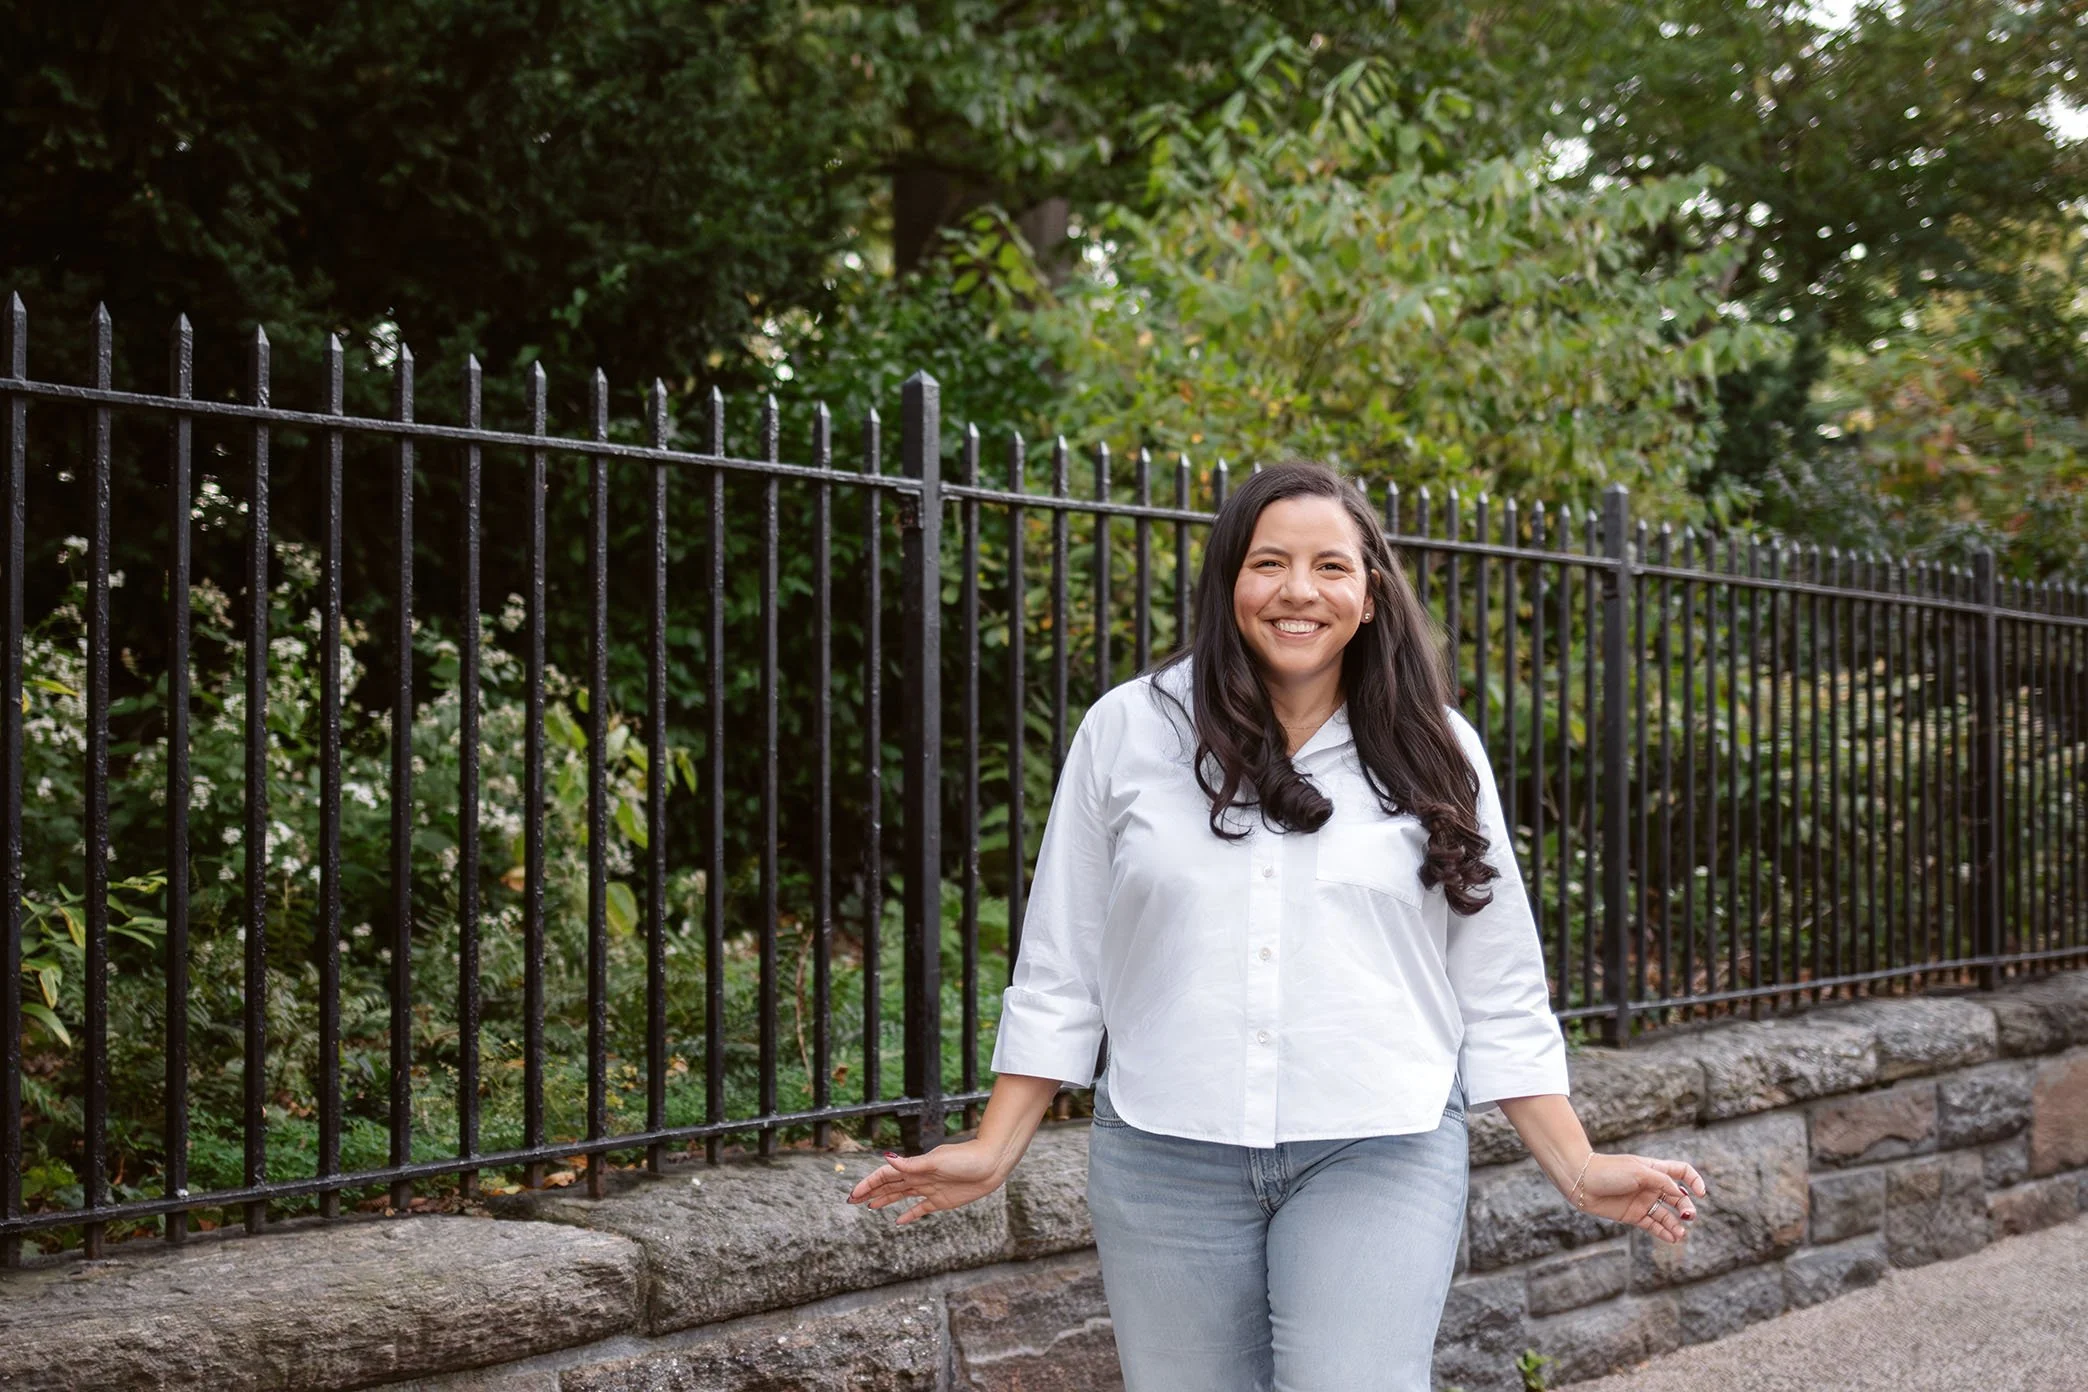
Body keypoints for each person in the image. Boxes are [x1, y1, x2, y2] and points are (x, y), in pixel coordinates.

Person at [847, 460, 1706, 1391]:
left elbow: (1494, 984)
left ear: (1370, 597)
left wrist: (1575, 1166)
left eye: (1331, 567)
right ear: (1228, 585)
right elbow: (1063, 961)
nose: (1300, 591)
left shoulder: (1439, 748)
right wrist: (994, 1145)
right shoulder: (1128, 730)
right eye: (1270, 563)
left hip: (1381, 1145)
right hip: (1165, 1156)